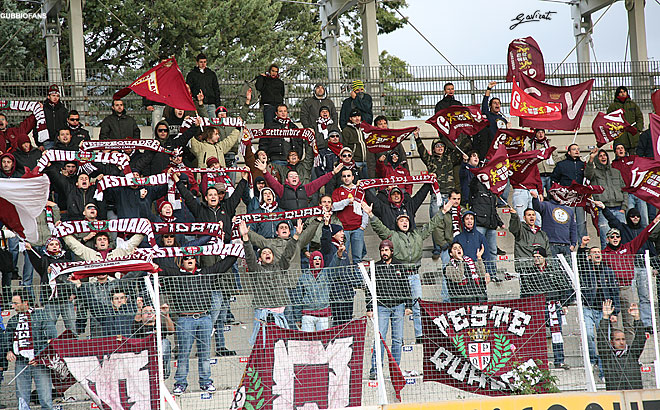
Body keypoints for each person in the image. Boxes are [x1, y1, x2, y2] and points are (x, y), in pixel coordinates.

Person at [363, 201, 445, 344]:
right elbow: (379, 228)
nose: (404, 222)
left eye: (406, 220)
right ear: (397, 223)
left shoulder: (417, 235)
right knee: (401, 307)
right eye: (401, 220)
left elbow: (431, 225)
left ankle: (420, 335)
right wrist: (370, 214)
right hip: (399, 275)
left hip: (414, 275)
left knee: (418, 306)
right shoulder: (392, 235)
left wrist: (443, 212)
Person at [159, 253, 237, 395]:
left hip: (204, 318)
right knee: (183, 354)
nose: (189, 260)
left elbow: (227, 263)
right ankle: (180, 384)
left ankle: (206, 382)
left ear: (196, 260)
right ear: (181, 262)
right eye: (186, 258)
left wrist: (236, 246)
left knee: (204, 353)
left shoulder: (206, 272)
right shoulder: (175, 274)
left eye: (192, 258)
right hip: (184, 319)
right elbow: (156, 267)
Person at [598, 213, 660, 343]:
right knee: (614, 323)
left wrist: (653, 223)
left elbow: (643, 236)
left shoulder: (628, 248)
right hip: (611, 290)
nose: (615, 238)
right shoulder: (603, 254)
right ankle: (616, 353)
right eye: (612, 237)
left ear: (621, 238)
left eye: (617, 236)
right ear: (607, 239)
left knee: (630, 322)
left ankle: (632, 353)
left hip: (627, 288)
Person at [238, 220, 301, 345]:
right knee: (260, 344)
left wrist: (296, 236)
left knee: (282, 344)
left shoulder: (280, 267)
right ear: (260, 258)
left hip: (279, 313)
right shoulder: (256, 269)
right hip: (262, 313)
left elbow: (288, 254)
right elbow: (250, 256)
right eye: (264, 252)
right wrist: (246, 237)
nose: (267, 253)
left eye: (269, 252)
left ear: (273, 256)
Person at [2, 290, 57, 410]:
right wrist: (8, 351)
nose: (13, 306)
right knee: (22, 398)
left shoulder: (42, 315)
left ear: (25, 302)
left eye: (16, 303)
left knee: (45, 397)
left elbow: (52, 337)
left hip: (40, 361)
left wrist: (41, 357)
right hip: (21, 362)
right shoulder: (13, 320)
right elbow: (7, 338)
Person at [520, 247, 573, 369]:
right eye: (534, 257)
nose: (536, 259)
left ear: (544, 257)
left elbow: (565, 287)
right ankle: (539, 362)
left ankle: (559, 360)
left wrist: (564, 304)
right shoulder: (529, 272)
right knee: (537, 335)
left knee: (557, 334)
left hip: (553, 304)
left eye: (538, 257)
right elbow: (525, 291)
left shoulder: (554, 270)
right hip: (537, 306)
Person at [577, 236, 621, 380]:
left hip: (604, 311)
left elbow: (615, 291)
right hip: (588, 308)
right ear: (589, 256)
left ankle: (603, 372)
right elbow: (579, 260)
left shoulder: (608, 270)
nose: (597, 254)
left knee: (605, 340)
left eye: (599, 252)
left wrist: (615, 311)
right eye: (594, 252)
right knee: (589, 335)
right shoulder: (585, 268)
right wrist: (583, 246)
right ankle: (592, 359)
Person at [258, 159, 342, 211]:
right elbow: (272, 182)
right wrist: (264, 171)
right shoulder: (282, 189)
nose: (294, 177)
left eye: (296, 176)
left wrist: (332, 173)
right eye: (291, 176)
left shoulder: (305, 189)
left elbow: (319, 182)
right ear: (287, 180)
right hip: (289, 225)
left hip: (303, 224)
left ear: (298, 178)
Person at [598, 300, 646, 390]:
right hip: (615, 398)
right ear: (611, 342)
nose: (621, 342)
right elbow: (601, 339)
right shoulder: (608, 357)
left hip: (634, 395)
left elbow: (641, 338)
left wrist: (637, 318)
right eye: (617, 339)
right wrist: (605, 317)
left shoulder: (632, 354)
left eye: (623, 339)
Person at [585, 148, 628, 248]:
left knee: (623, 238)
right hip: (603, 210)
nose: (603, 157)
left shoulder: (616, 172)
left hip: (619, 209)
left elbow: (624, 190)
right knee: (605, 238)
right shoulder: (594, 173)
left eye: (605, 155)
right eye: (600, 156)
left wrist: (623, 208)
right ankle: (606, 262)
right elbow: (587, 174)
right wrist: (591, 159)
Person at [469, 175, 504, 279]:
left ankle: (492, 273)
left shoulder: (492, 190)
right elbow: (471, 185)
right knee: (477, 250)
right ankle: (478, 273)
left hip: (491, 224)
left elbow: (493, 209)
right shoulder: (476, 186)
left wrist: (499, 222)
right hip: (480, 223)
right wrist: (477, 174)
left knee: (493, 250)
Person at [551, 143, 587, 238]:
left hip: (580, 198)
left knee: (581, 223)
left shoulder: (583, 165)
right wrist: (558, 195)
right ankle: (567, 243)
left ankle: (582, 247)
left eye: (578, 149)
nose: (577, 151)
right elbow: (554, 180)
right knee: (566, 221)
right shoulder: (561, 165)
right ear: (569, 152)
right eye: (574, 149)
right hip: (566, 198)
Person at [131, 302, 175, 379]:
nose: (149, 313)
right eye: (145, 312)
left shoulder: (160, 326)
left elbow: (171, 331)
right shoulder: (138, 328)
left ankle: (162, 369)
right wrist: (139, 309)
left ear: (155, 316)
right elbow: (136, 323)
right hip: (144, 357)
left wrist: (166, 315)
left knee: (165, 342)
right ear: (141, 316)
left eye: (151, 311)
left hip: (159, 357)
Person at [531, 190, 577, 258]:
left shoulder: (569, 210)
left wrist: (573, 244)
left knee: (567, 268)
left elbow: (573, 228)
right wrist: (535, 198)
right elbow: (537, 207)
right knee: (553, 268)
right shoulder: (546, 205)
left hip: (566, 246)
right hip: (551, 244)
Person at [366, 184, 430, 231]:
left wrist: (428, 184)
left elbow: (420, 196)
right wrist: (364, 189)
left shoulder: (409, 207)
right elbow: (373, 200)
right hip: (393, 242)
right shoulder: (385, 209)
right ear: (390, 197)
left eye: (398, 193)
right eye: (393, 194)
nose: (396, 195)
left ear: (401, 196)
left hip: (410, 241)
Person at [296, 251, 333, 332]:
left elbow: (334, 265)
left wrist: (338, 255)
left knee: (323, 340)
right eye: (315, 259)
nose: (317, 260)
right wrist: (298, 317)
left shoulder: (327, 274)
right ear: (311, 261)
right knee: (306, 340)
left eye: (319, 259)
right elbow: (298, 298)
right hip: (307, 313)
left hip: (323, 313)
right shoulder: (303, 277)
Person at [606, 86, 644, 152]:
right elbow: (608, 120)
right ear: (617, 94)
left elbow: (639, 117)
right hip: (620, 137)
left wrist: (638, 129)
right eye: (621, 92)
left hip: (633, 136)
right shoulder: (613, 106)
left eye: (624, 92)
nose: (623, 93)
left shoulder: (633, 105)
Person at [186, 53, 221, 118]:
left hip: (211, 104)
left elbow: (216, 89)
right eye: (201, 62)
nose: (203, 64)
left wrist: (218, 105)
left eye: (204, 62)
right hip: (198, 104)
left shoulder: (211, 74)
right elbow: (188, 89)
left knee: (213, 124)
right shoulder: (192, 74)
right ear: (197, 63)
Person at [341, 109, 367, 177]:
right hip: (355, 161)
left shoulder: (365, 128)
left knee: (368, 182)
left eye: (358, 116)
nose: (357, 118)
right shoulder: (346, 130)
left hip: (367, 160)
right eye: (354, 116)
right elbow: (345, 146)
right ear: (350, 118)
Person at [43, 84, 68, 149]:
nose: (55, 98)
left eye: (57, 96)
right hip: (47, 141)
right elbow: (37, 126)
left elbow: (66, 125)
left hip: (60, 141)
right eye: (53, 95)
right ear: (49, 96)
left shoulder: (63, 109)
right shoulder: (43, 109)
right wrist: (39, 143)